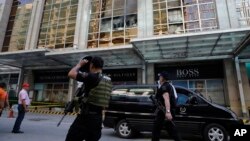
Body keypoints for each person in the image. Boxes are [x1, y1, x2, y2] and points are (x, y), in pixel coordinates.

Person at [65, 56, 112, 141]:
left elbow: (71, 74)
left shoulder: (92, 77)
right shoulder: (108, 79)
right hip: (98, 118)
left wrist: (79, 64)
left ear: (92, 65)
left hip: (85, 118)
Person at [152, 71, 181, 141]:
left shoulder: (164, 86)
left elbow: (166, 99)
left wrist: (168, 112)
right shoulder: (168, 85)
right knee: (170, 129)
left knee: (156, 128)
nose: (159, 78)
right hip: (165, 110)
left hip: (164, 111)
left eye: (160, 76)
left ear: (162, 78)